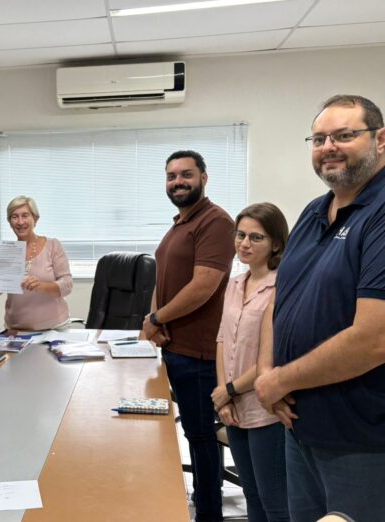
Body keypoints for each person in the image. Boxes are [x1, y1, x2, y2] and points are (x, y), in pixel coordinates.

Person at [254, 94, 385, 521]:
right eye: (319, 138)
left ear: (380, 139)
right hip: (300, 426)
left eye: (344, 135)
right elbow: (280, 299)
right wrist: (267, 374)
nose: (329, 147)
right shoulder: (315, 211)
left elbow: (374, 339)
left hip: (361, 438)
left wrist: (279, 380)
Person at [142, 150, 235, 522]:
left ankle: (209, 513)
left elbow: (204, 286)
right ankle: (202, 498)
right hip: (173, 346)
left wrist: (157, 318)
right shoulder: (180, 223)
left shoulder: (216, 222)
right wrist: (154, 319)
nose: (178, 182)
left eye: (186, 174)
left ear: (204, 178)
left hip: (198, 352)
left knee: (200, 436)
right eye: (171, 176)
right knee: (193, 433)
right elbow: (162, 279)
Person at [212, 203, 289, 522]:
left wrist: (230, 389)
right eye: (240, 235)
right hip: (233, 405)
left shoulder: (282, 286)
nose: (244, 243)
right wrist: (223, 395)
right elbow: (221, 339)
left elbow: (274, 355)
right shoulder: (234, 283)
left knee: (275, 501)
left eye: (256, 237)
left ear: (276, 244)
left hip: (264, 408)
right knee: (251, 494)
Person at [0, 196, 73, 330]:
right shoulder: (5, 251)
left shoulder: (53, 245)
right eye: (14, 217)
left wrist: (40, 286)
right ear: (9, 222)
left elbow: (67, 285)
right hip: (16, 329)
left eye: (25, 216)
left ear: (35, 218)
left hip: (54, 328)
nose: (20, 222)